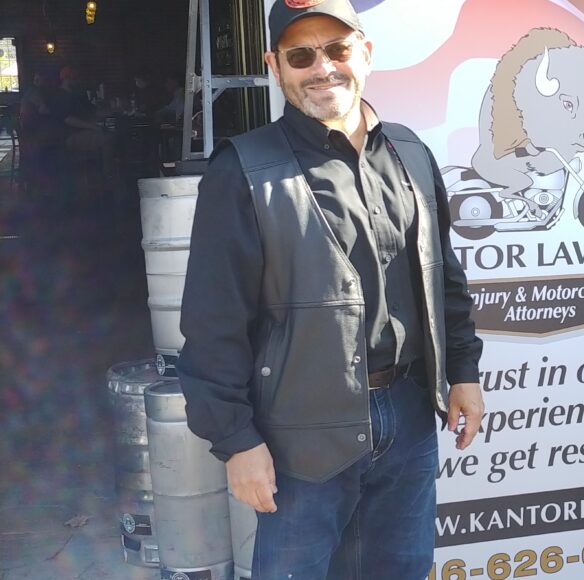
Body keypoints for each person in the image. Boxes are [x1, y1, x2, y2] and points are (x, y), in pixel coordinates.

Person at [177, 1, 485, 577]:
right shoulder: (241, 171)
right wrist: (237, 441)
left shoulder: (411, 154)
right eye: (301, 55)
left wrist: (462, 372)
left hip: (410, 416)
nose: (322, 68)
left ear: (364, 53)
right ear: (276, 66)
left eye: (337, 49)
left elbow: (444, 276)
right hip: (300, 435)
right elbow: (212, 323)